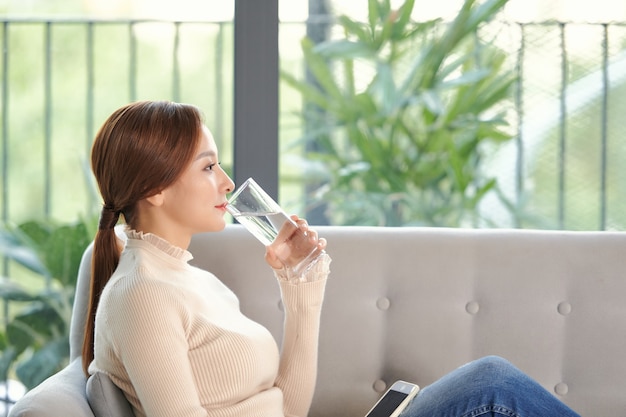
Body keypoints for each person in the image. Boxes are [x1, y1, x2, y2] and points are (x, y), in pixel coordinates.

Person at [83, 100, 580, 417]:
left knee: (491, 385)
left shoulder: (189, 279)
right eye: (209, 166)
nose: (228, 183)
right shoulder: (143, 296)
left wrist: (300, 284)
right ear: (155, 188)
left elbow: (289, 408)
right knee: (490, 388)